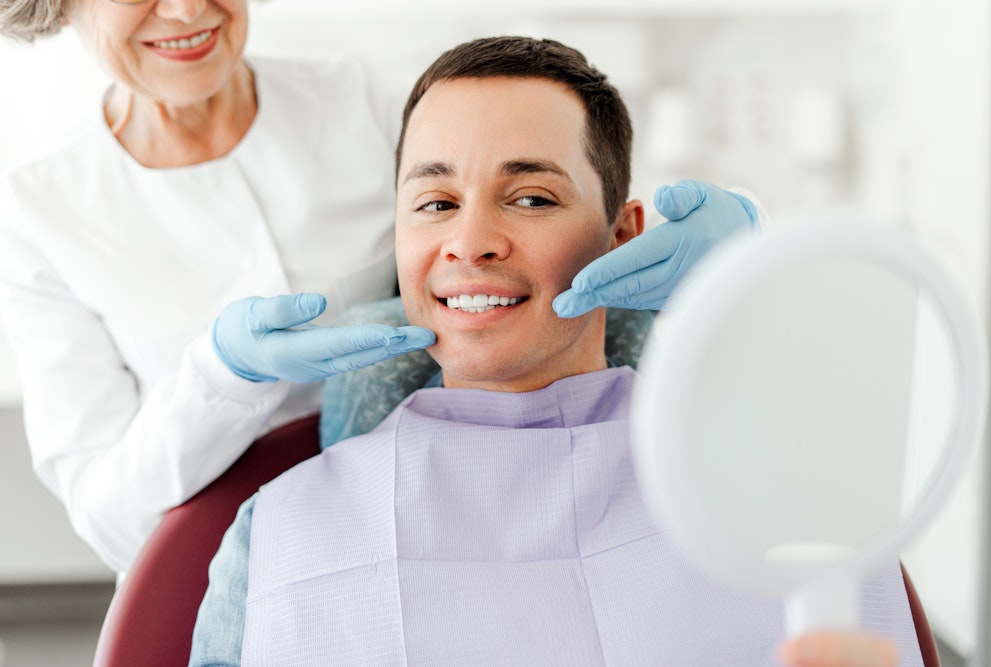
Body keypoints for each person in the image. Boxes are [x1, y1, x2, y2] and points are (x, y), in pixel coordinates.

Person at [189, 36, 918, 667]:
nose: (470, 240)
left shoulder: (788, 506)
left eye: (531, 197)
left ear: (623, 235)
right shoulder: (276, 534)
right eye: (436, 203)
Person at [0, 1, 757, 574]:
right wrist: (223, 377)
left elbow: (546, 203)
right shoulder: (40, 211)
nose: (192, 10)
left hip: (470, 509)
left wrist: (742, 245)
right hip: (256, 568)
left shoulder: (356, 101)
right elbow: (112, 517)